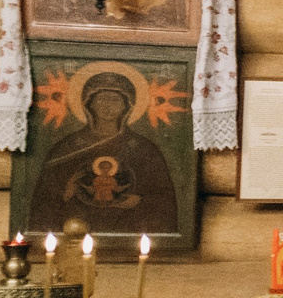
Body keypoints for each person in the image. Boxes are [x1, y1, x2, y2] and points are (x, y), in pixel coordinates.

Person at [30, 68, 179, 238]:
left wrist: (139, 201)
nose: (108, 106)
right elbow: (44, 200)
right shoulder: (67, 147)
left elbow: (163, 199)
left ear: (127, 105)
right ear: (89, 104)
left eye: (115, 100)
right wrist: (66, 193)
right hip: (76, 230)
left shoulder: (144, 149)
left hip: (129, 229)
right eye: (101, 99)